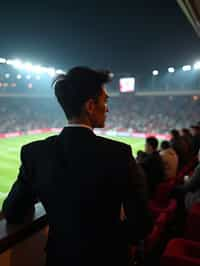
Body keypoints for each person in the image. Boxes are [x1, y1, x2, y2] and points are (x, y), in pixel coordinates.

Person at [2, 66, 152, 266]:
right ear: (90, 106)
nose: (107, 108)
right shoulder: (120, 153)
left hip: (59, 258)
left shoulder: (34, 153)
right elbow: (141, 224)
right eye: (105, 101)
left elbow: (12, 211)